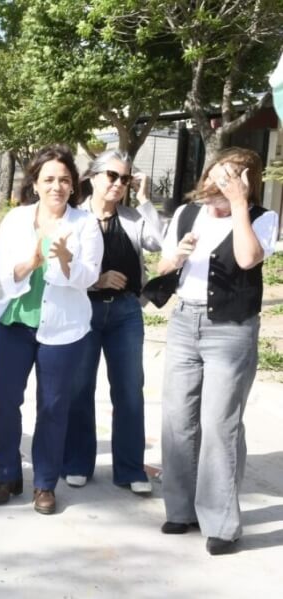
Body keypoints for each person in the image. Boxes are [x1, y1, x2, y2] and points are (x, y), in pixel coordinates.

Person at [151, 148, 277, 555]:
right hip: (185, 322)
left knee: (220, 424)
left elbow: (247, 257)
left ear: (246, 182)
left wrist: (239, 205)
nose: (217, 186)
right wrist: (176, 257)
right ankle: (180, 509)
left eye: (229, 179)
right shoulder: (189, 214)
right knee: (177, 418)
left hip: (231, 330)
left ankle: (222, 523)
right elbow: (163, 269)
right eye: (214, 177)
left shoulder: (262, 218)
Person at [0, 144, 103, 515]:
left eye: (64, 180)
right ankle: (7, 475)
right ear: (35, 183)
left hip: (62, 331)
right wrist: (30, 262)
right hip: (15, 324)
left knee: (52, 407)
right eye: (49, 179)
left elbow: (89, 276)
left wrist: (66, 261)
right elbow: (1, 270)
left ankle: (45, 484)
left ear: (73, 185)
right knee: (5, 402)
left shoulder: (85, 224)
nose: (57, 186)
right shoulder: (16, 219)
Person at [61, 150, 162, 495]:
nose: (119, 184)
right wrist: (97, 280)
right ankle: (76, 462)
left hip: (125, 313)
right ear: (92, 177)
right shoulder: (73, 219)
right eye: (113, 176)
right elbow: (60, 267)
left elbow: (158, 242)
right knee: (79, 389)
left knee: (130, 391)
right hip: (84, 311)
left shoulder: (133, 217)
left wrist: (147, 199)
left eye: (126, 178)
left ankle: (131, 469)